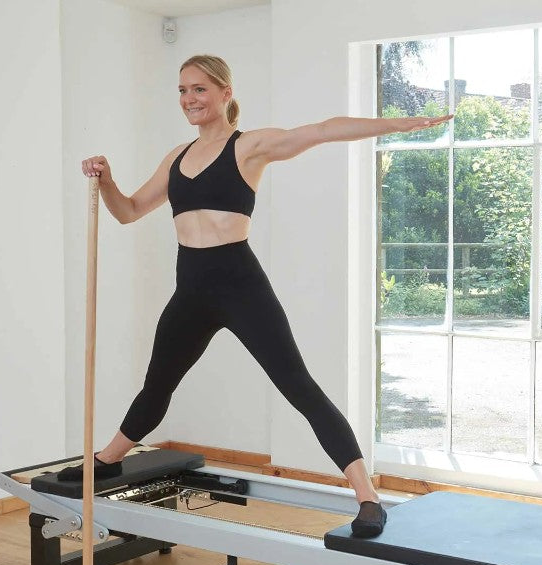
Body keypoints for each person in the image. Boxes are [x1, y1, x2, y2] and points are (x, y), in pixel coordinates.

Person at [60, 54, 452, 538]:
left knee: (298, 386)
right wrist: (107, 180)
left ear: (226, 92)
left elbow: (323, 130)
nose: (190, 100)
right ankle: (105, 462)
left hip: (241, 283)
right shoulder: (176, 157)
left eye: (200, 89)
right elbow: (129, 211)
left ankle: (367, 497)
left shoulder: (250, 147)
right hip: (192, 288)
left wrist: (399, 123)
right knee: (157, 386)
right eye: (182, 91)